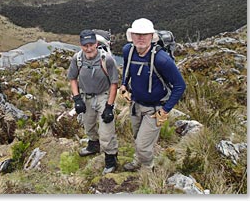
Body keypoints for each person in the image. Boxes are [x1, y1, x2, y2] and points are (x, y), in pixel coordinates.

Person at [120, 18, 186, 171]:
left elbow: (180, 85)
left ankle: (148, 168)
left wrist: (165, 110)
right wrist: (124, 84)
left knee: (143, 145)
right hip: (135, 105)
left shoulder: (161, 59)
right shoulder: (127, 51)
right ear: (132, 36)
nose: (141, 38)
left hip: (155, 110)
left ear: (152, 36)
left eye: (145, 34)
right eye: (137, 34)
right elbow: (127, 68)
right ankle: (138, 161)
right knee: (138, 138)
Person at [67, 29, 119, 175]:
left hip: (104, 96)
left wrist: (109, 106)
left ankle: (111, 159)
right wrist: (77, 98)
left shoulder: (106, 59)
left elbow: (114, 83)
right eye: (85, 45)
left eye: (91, 44)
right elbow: (72, 79)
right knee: (88, 124)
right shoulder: (77, 59)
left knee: (106, 132)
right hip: (86, 97)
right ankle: (93, 145)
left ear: (96, 44)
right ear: (81, 45)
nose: (89, 48)